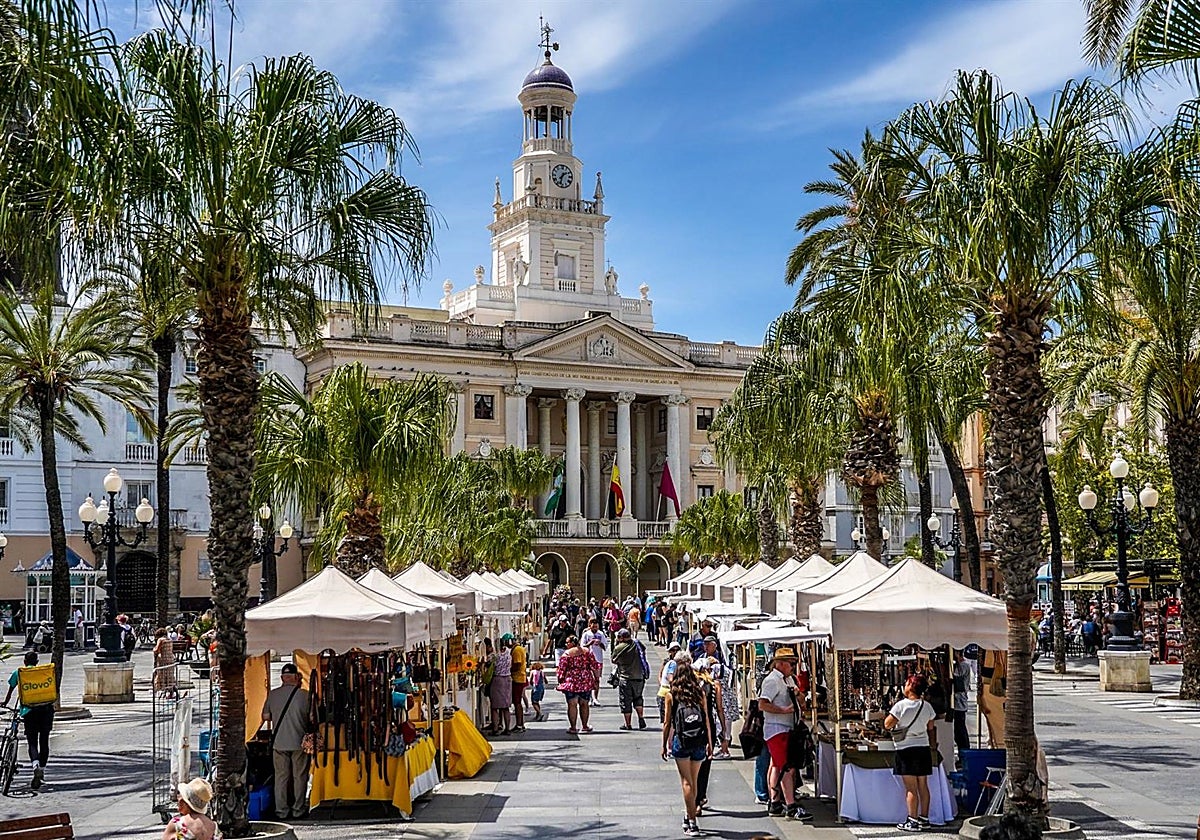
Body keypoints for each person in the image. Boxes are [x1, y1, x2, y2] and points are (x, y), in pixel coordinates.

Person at [661, 651, 712, 838]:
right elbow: (706, 718)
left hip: (681, 741)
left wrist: (664, 744)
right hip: (699, 740)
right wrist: (710, 743)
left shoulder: (671, 695)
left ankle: (692, 822)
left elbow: (667, 723)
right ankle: (688, 814)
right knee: (694, 780)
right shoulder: (699, 693)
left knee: (686, 781)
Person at [758, 647, 810, 821]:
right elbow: (763, 704)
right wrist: (783, 710)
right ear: (780, 664)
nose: (793, 666)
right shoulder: (772, 681)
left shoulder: (788, 680)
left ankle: (775, 802)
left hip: (786, 728)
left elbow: (801, 700)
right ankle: (791, 805)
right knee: (786, 767)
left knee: (776, 765)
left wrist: (798, 696)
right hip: (776, 728)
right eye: (790, 663)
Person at [884, 673, 939, 832]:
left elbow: (887, 724)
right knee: (923, 785)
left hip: (906, 749)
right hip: (923, 748)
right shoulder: (927, 706)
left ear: (910, 687)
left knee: (911, 788)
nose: (904, 686)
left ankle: (912, 820)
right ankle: (924, 818)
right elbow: (931, 728)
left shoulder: (901, 705)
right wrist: (933, 746)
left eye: (907, 683)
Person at [261, 663, 311, 820]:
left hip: (279, 742)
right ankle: (298, 809)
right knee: (299, 776)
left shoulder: (273, 694)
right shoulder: (305, 695)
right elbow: (312, 717)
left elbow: (266, 717)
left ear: (282, 678)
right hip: (299, 742)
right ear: (297, 677)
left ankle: (281, 810)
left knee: (281, 777)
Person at [2, 651, 54, 790]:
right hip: (46, 710)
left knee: (32, 741)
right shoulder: (43, 673)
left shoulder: (19, 673)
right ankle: (41, 770)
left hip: (29, 712)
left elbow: (11, 690)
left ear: (25, 661)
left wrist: (5, 702)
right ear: (37, 661)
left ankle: (35, 765)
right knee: (44, 740)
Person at [555, 636, 598, 734]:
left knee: (572, 704)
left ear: (572, 643)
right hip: (585, 680)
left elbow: (561, 670)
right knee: (584, 704)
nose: (566, 645)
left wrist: (561, 681)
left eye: (567, 643)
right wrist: (596, 679)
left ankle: (573, 727)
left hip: (571, 681)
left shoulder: (566, 654)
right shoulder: (587, 652)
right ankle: (585, 726)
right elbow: (594, 666)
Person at [611, 628, 648, 730]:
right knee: (638, 698)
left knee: (626, 701)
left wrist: (616, 643)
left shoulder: (619, 647)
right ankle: (641, 718)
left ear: (621, 638)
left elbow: (613, 660)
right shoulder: (637, 644)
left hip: (625, 677)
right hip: (639, 677)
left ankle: (628, 724)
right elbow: (643, 651)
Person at [710, 655, 738, 759]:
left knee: (723, 728)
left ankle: (725, 751)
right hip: (729, 700)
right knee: (726, 728)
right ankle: (723, 749)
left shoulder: (715, 670)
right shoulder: (726, 669)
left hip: (723, 702)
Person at [580, 618, 608, 705]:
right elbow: (582, 647)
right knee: (588, 679)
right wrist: (590, 643)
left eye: (596, 626)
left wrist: (600, 643)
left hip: (598, 659)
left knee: (596, 679)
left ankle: (595, 697)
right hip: (588, 659)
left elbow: (605, 647)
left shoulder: (601, 634)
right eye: (593, 626)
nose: (595, 628)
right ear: (590, 626)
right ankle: (589, 697)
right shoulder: (586, 634)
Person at [489, 639, 514, 736]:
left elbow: (489, 664)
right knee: (505, 707)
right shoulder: (508, 654)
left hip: (497, 680)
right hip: (507, 679)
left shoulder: (495, 655)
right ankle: (507, 728)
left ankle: (495, 728)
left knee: (495, 707)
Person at [951, 649, 972, 759]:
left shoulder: (963, 666)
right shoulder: (960, 665)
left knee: (960, 731)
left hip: (959, 702)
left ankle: (964, 753)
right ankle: (963, 753)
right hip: (958, 702)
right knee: (958, 730)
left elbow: (956, 680)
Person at [657, 641, 681, 722]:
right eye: (673, 650)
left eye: (677, 650)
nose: (675, 652)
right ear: (670, 651)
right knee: (666, 719)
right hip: (666, 691)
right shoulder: (668, 662)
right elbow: (661, 674)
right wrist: (662, 684)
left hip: (675, 692)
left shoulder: (681, 662)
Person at [508, 634, 528, 733]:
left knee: (517, 702)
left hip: (518, 678)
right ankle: (520, 724)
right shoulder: (519, 649)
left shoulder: (516, 650)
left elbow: (517, 664)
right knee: (517, 702)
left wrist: (509, 670)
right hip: (519, 678)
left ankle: (519, 725)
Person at [154, 628, 178, 697]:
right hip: (170, 658)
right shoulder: (169, 640)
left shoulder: (160, 640)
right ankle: (171, 690)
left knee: (161, 674)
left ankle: (162, 690)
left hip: (163, 659)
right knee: (169, 675)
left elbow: (157, 649)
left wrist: (154, 649)